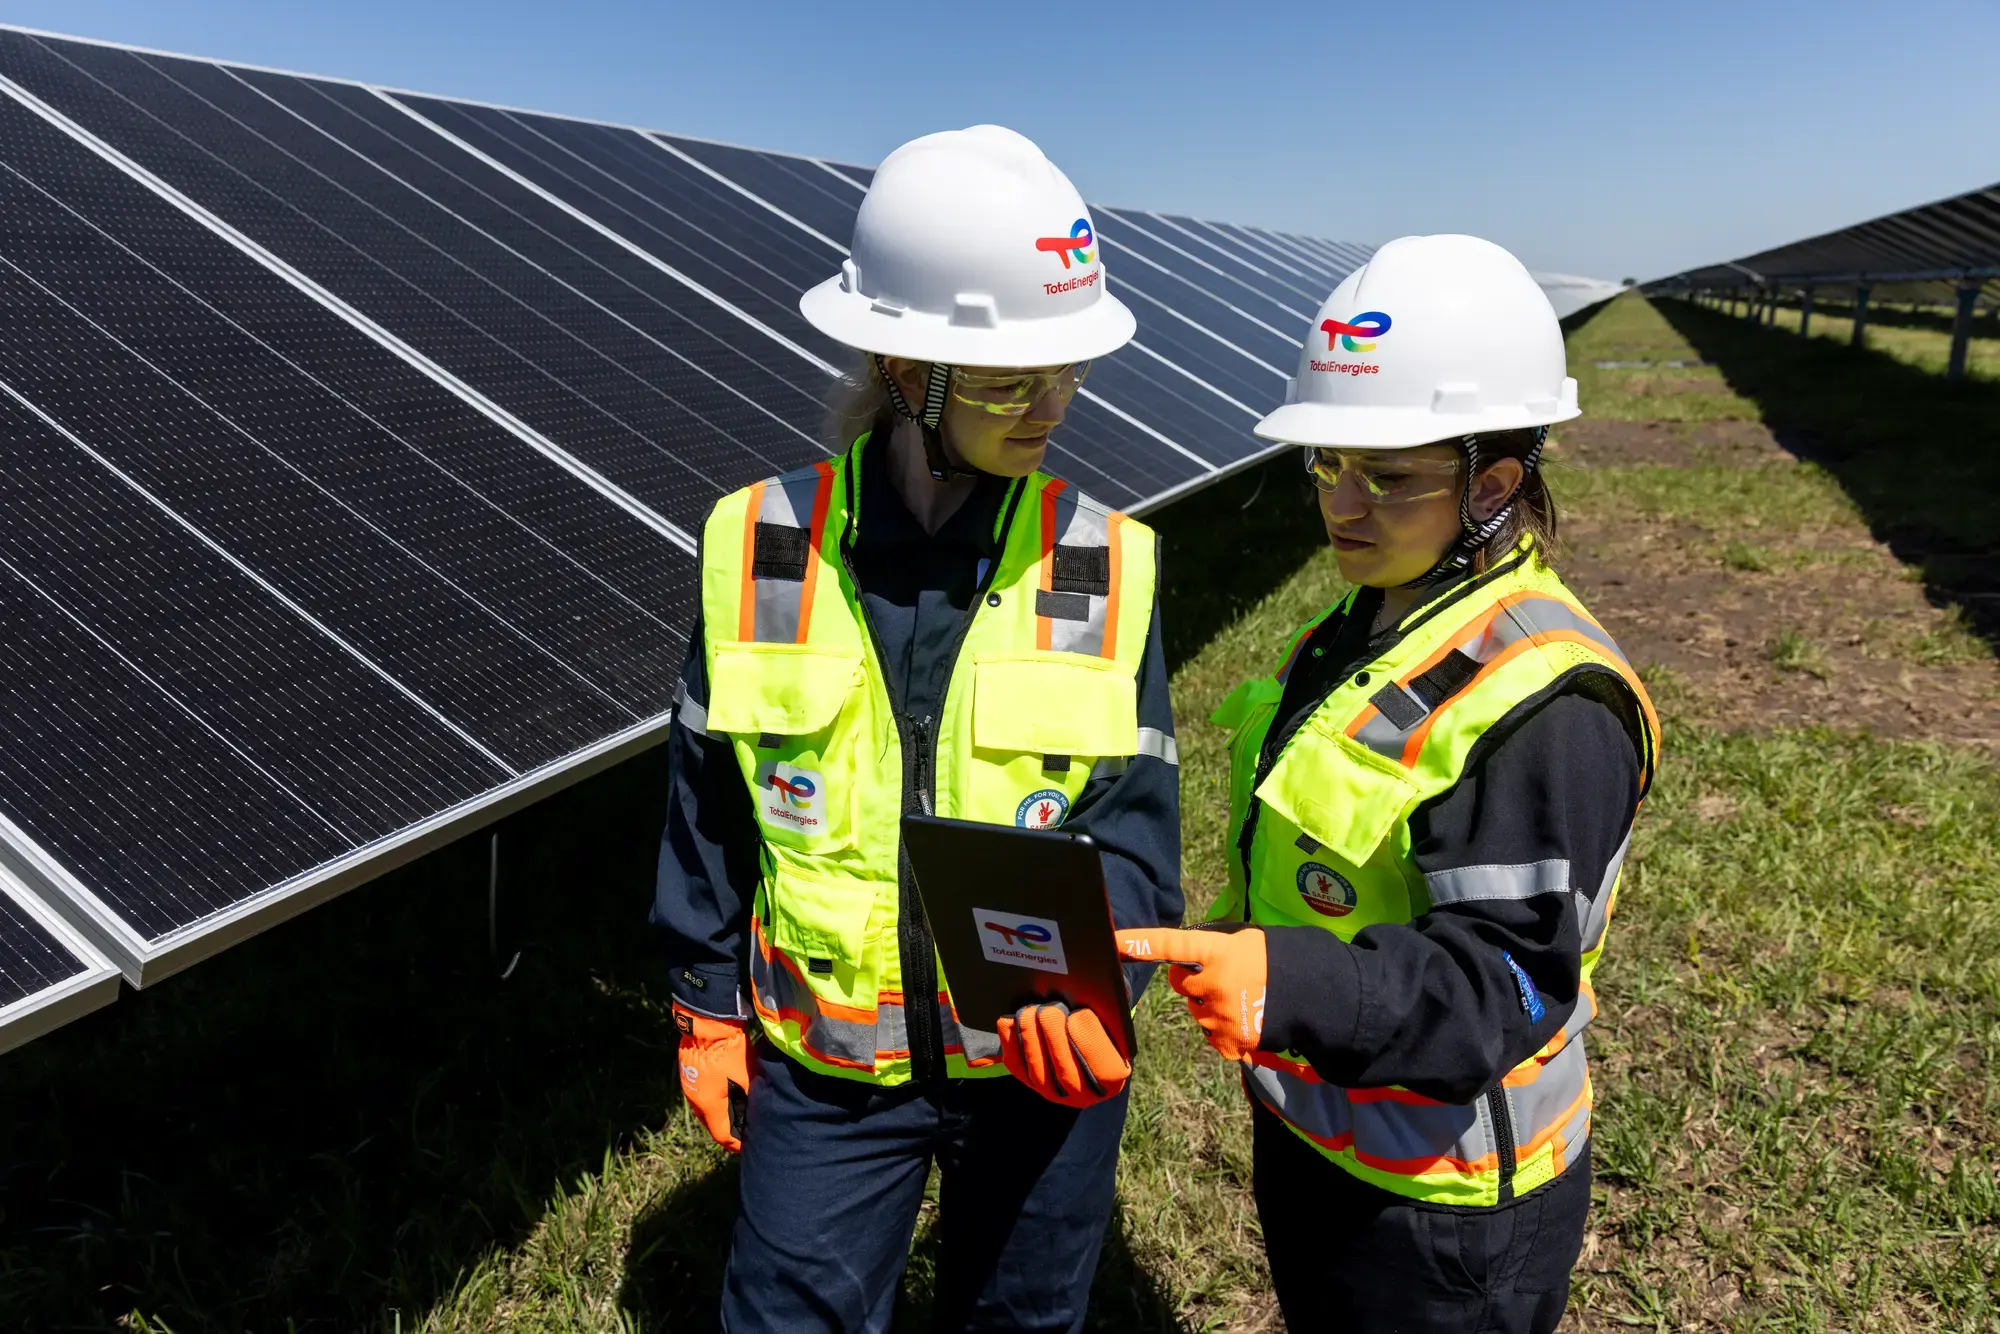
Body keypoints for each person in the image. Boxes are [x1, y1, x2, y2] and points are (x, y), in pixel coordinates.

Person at [653, 125, 1183, 1333]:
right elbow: (706, 797)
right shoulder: (756, 547)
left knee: (1022, 1318)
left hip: (1038, 1073)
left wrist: (1100, 998)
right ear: (902, 366)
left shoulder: (1106, 563)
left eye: (1068, 372)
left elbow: (1137, 825)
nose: (1053, 405)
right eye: (1013, 380)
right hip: (830, 1072)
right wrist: (703, 997)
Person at [1118, 235, 1660, 1333]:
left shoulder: (1545, 704)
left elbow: (1507, 981)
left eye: (1388, 476)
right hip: (1324, 1134)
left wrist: (1293, 983)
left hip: (1444, 1207)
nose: (1341, 504)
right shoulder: (1375, 616)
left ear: (1492, 484)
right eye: (1326, 461)